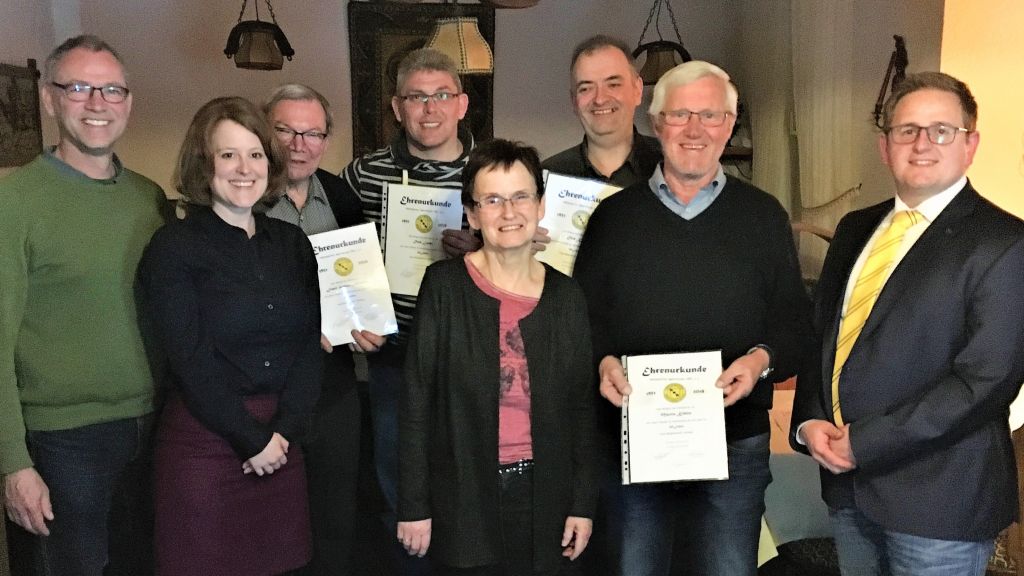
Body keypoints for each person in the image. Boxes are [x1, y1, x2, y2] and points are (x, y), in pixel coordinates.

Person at [573, 60, 812, 576]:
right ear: (656, 124)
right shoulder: (614, 218)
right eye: (680, 115)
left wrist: (760, 361)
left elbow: (794, 324)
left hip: (735, 443)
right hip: (633, 441)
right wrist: (603, 362)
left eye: (710, 115)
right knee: (635, 567)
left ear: (729, 124)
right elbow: (580, 321)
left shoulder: (764, 216)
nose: (695, 129)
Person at [790, 72, 1024, 576]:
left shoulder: (1006, 243)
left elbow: (987, 380)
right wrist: (808, 421)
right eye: (907, 130)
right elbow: (821, 337)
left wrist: (865, 442)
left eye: (941, 130)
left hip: (939, 503)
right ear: (885, 146)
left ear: (970, 145)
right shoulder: (854, 228)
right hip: (848, 492)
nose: (922, 143)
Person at [0, 35, 166, 576]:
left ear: (128, 103)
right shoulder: (14, 203)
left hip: (153, 425)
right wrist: (12, 462)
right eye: (78, 88)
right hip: (62, 442)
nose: (97, 103)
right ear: (49, 99)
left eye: (111, 89)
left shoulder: (149, 199)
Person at [140, 96, 321, 575]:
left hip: (282, 443)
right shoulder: (173, 247)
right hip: (205, 443)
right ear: (204, 165)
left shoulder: (292, 244)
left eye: (255, 154)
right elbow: (188, 358)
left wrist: (284, 432)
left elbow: (309, 345)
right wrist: (251, 439)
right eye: (228, 155)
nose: (244, 168)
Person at [398, 139, 597, 576]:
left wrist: (583, 504)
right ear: (471, 214)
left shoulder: (567, 297)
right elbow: (416, 401)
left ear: (540, 205)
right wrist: (413, 506)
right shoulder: (443, 287)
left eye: (520, 196)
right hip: (464, 496)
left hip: (547, 498)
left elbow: (583, 409)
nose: (509, 212)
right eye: (492, 200)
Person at [339, 47, 480, 573]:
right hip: (394, 355)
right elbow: (335, 257)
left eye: (442, 95)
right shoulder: (363, 174)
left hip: (471, 354)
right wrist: (351, 314)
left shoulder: (492, 171)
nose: (430, 108)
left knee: (471, 475)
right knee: (398, 479)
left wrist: (483, 250)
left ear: (462, 104)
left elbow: (526, 257)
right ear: (397, 108)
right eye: (416, 97)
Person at [264, 83, 365, 575]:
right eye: (285, 130)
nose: (298, 145)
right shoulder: (244, 197)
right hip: (268, 385)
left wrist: (369, 325)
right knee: (273, 513)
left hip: (334, 382)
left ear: (326, 139)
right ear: (264, 131)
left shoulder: (343, 196)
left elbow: (362, 280)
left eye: (313, 134)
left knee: (336, 511)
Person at [543, 35, 661, 187]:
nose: (600, 99)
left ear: (637, 90)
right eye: (586, 88)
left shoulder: (671, 165)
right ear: (574, 101)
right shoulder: (548, 177)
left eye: (613, 85)